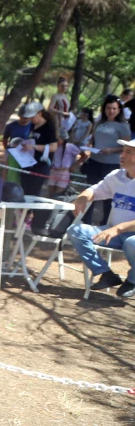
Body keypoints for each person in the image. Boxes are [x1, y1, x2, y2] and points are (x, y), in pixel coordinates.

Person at [68, 140, 135, 297]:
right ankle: (106, 274)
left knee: (131, 242)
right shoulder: (116, 176)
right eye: (123, 151)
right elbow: (95, 190)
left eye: (128, 152)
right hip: (112, 232)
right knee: (76, 230)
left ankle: (132, 280)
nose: (122, 155)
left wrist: (118, 228)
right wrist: (82, 197)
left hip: (130, 236)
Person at [81, 95, 131, 224]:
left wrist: (112, 150)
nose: (111, 111)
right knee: (91, 191)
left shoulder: (123, 126)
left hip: (111, 164)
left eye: (114, 108)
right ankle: (86, 222)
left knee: (109, 197)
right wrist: (89, 146)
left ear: (119, 110)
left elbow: (127, 147)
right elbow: (92, 139)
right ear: (104, 109)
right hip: (95, 161)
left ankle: (105, 225)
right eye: (109, 108)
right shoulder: (99, 122)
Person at [17, 107, 58, 197]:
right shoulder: (32, 125)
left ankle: (30, 211)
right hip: (28, 163)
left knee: (33, 193)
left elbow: (53, 147)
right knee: (24, 191)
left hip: (40, 165)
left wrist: (34, 147)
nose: (30, 119)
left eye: (32, 117)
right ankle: (23, 211)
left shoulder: (49, 127)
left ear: (39, 113)